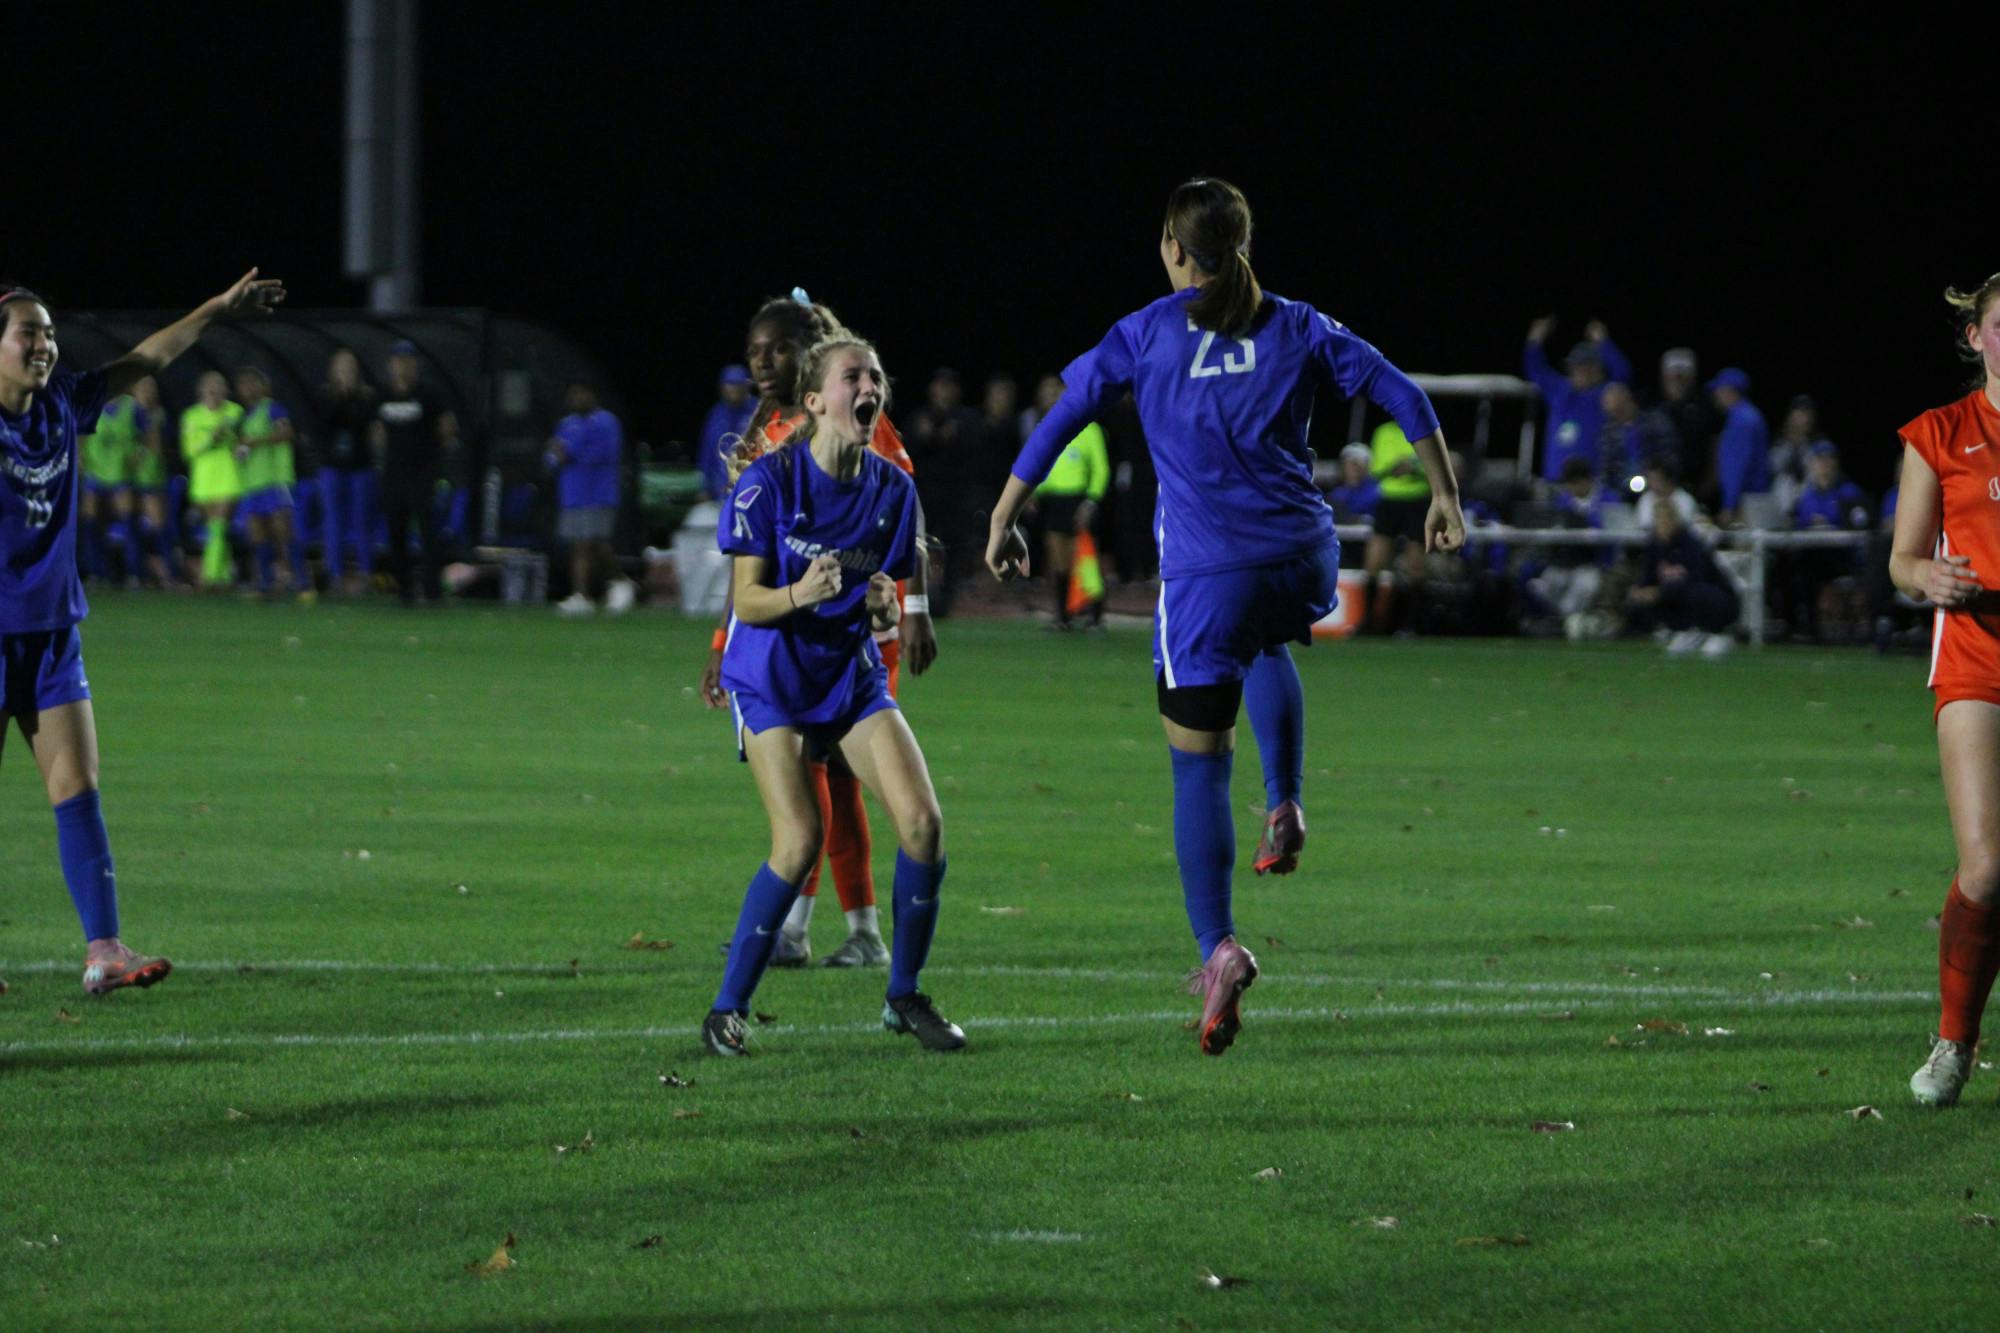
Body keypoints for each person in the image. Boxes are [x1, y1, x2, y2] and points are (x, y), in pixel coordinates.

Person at [986, 178, 1463, 1056]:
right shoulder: (1296, 322)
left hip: (1210, 577)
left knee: (1196, 768)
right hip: (1299, 558)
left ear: (1176, 246)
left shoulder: (1150, 330)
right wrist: (1444, 494)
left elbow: (1064, 414)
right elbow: (1403, 391)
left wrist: (1006, 509)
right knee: (1269, 641)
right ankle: (1285, 803)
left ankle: (1219, 949)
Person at [0, 268, 284, 994]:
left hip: (53, 632)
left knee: (77, 786)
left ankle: (105, 951)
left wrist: (217, 309)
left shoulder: (63, 401)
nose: (44, 344)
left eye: (50, 333)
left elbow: (149, 359)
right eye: (28, 332)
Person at [704, 332, 963, 1056]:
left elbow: (883, 592)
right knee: (799, 841)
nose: (869, 386)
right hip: (771, 680)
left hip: (846, 676)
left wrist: (885, 606)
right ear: (815, 400)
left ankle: (903, 994)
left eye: (876, 376)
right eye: (854, 376)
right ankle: (727, 1008)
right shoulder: (769, 482)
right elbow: (747, 603)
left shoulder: (892, 490)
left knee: (923, 823)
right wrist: (800, 590)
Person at [1888, 271, 2000, 1107]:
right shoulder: (1939, 432)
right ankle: (1954, 1041)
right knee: (1989, 868)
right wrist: (1928, 573)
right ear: (1977, 337)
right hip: (1975, 658)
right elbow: (1902, 558)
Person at [372, 340, 457, 606]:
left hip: (422, 472)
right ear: (391, 365)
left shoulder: (428, 392)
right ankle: (404, 589)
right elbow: (377, 429)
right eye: (398, 361)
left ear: (415, 364)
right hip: (394, 472)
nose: (403, 366)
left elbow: (447, 426)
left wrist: (434, 452)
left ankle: (432, 589)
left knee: (428, 530)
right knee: (396, 530)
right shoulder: (383, 393)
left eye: (407, 361)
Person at [547, 382, 632, 616]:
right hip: (573, 494)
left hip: (598, 492)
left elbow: (605, 453)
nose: (576, 399)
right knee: (582, 544)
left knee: (590, 543)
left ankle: (603, 587)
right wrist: (556, 456)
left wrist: (568, 453)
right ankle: (595, 590)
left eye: (580, 394)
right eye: (572, 395)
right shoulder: (566, 424)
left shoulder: (606, 422)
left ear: (591, 395)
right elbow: (552, 458)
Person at [1028, 403, 1109, 630]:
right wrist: (1032, 493)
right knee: (1058, 562)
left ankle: (1095, 615)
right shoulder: (1047, 429)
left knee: (1084, 561)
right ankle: (1064, 616)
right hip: (1054, 502)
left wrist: (1091, 501)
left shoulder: (1090, 429)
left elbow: (1101, 469)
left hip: (1079, 500)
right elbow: (1041, 466)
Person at [1625, 495, 1738, 657]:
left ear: (1675, 519)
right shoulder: (1655, 546)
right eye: (1658, 519)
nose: (1662, 524)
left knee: (1694, 593)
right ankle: (1682, 630)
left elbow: (1696, 579)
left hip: (1718, 598)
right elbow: (1648, 575)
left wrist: (1660, 591)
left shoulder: (1690, 545)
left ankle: (1715, 632)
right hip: (1678, 594)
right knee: (1643, 598)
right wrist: (1640, 590)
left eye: (1665, 519)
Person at [1523, 317, 1632, 483]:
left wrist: (1603, 342)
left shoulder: (1604, 393)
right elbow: (1535, 369)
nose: (1578, 372)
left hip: (1592, 483)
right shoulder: (1560, 390)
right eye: (1574, 367)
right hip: (1556, 481)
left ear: (1597, 369)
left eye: (1584, 367)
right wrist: (1534, 340)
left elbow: (1623, 373)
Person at [233, 366, 307, 599]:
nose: (247, 388)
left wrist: (257, 441)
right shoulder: (243, 417)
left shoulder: (273, 408)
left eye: (252, 383)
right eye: (243, 384)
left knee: (283, 530)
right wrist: (240, 451)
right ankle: (265, 583)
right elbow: (244, 447)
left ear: (263, 386)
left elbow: (287, 434)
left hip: (276, 480)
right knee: (258, 534)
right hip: (253, 483)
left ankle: (302, 582)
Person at [314, 348, 378, 594]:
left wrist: (353, 396)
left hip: (361, 467)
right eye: (341, 367)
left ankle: (366, 573)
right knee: (333, 521)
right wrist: (339, 396)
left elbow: (366, 426)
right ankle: (335, 574)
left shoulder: (367, 397)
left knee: (363, 521)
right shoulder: (324, 396)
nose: (345, 372)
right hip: (333, 467)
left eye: (350, 367)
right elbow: (322, 426)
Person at [1362, 419, 1429, 632]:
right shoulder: (1384, 431)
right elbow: (1377, 468)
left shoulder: (1426, 429)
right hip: (1389, 500)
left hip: (1418, 500)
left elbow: (1434, 466)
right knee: (1375, 561)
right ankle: (1371, 622)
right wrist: (1400, 467)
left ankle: (1412, 624)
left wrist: (1413, 468)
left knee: (1415, 563)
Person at [180, 370, 244, 590]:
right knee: (215, 528)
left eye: (218, 386)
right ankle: (224, 575)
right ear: (201, 391)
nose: (214, 391)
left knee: (219, 524)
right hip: (203, 478)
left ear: (226, 390)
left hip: (229, 475)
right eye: (209, 387)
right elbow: (189, 450)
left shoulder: (235, 412)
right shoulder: (191, 416)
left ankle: (208, 576)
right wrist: (210, 439)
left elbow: (241, 441)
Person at [77, 382, 143, 583]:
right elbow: (80, 436)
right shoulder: (90, 405)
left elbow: (146, 435)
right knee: (91, 523)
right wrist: (80, 461)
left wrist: (138, 456)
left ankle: (134, 573)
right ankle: (96, 572)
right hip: (94, 473)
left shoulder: (132, 407)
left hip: (121, 473)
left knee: (128, 520)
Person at [1708, 367, 1771, 526]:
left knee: (1746, 549)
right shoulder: (1751, 415)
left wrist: (1729, 505)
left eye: (1718, 389)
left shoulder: (1741, 421)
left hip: (1746, 503)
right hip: (1756, 499)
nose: (1715, 394)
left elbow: (1736, 466)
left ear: (1729, 391)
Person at [696, 364, 754, 502]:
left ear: (746, 386)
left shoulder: (758, 411)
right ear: (721, 388)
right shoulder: (715, 414)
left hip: (752, 489)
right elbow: (706, 454)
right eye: (729, 384)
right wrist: (704, 488)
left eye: (738, 384)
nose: (733, 389)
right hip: (721, 492)